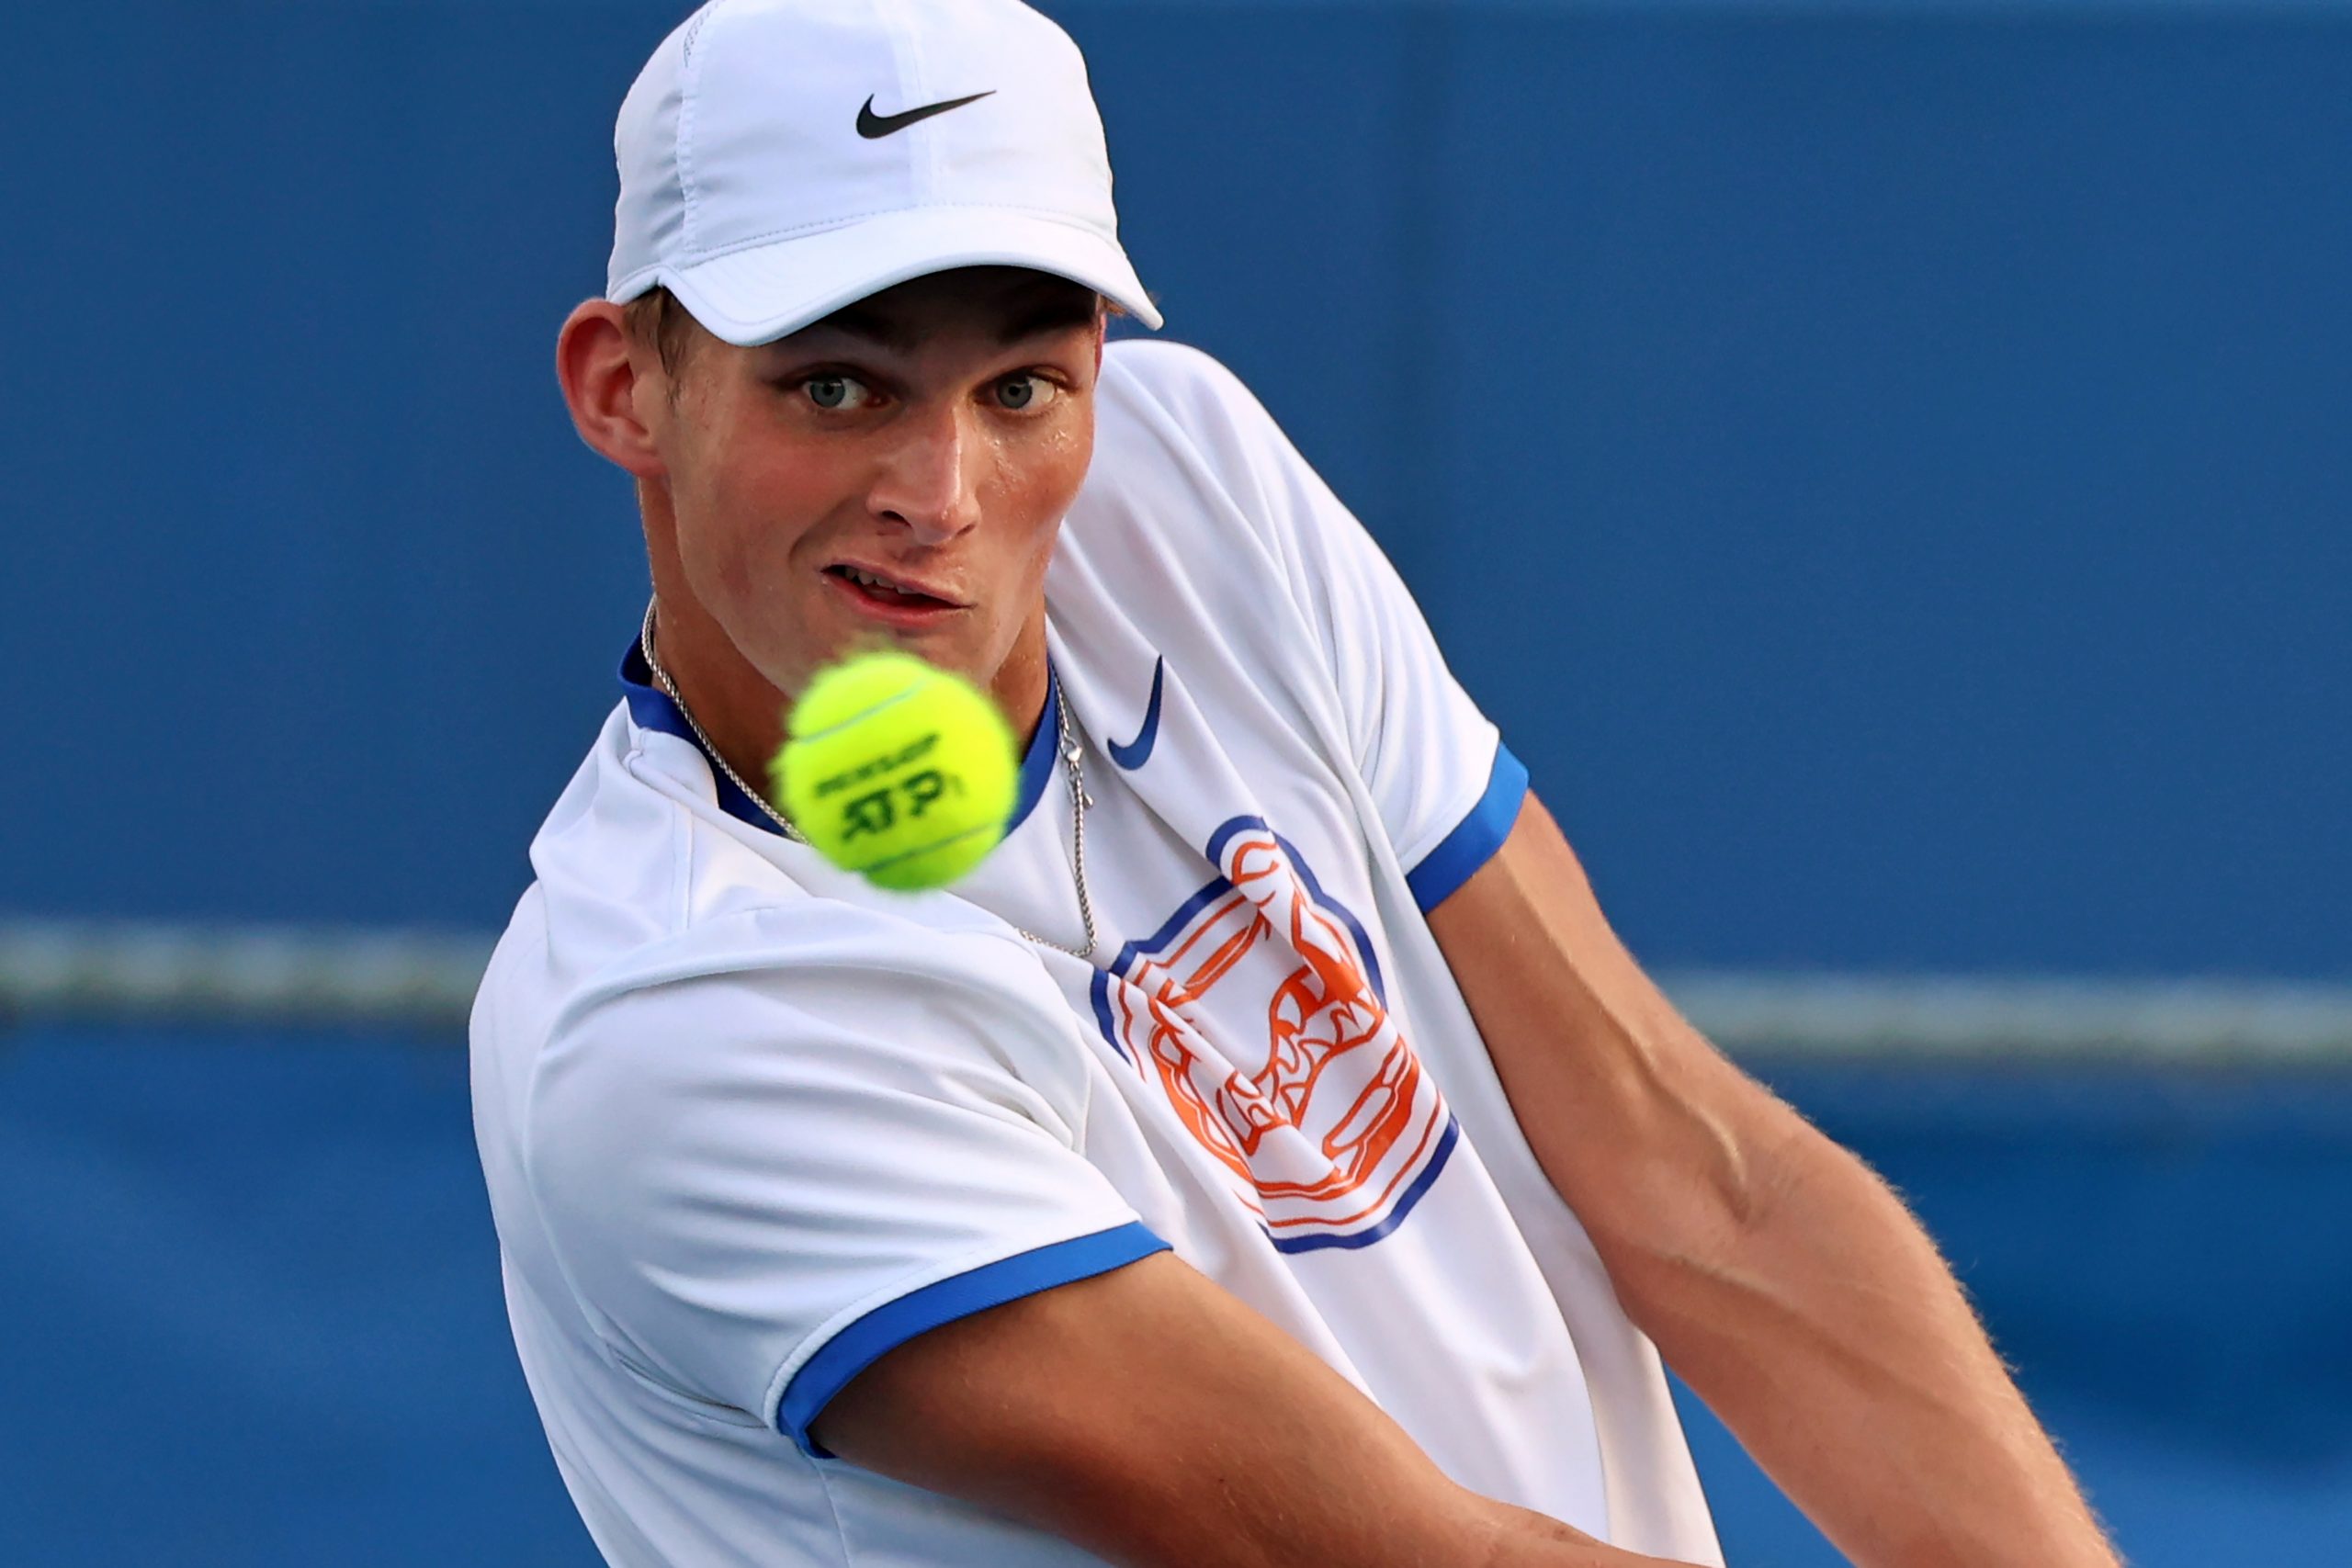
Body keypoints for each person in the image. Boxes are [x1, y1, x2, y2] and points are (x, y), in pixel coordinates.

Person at [470, 1, 2124, 1564]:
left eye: (1023, 388)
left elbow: (1703, 1182)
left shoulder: (1184, 485)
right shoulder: (669, 1017)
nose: (944, 492)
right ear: (629, 386)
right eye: (840, 385)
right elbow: (1387, 1550)